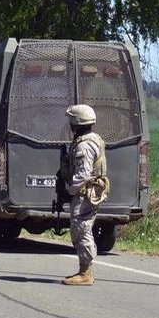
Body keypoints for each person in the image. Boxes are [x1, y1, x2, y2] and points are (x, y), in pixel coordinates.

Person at [61, 104, 110, 286]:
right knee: (81, 228)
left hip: (86, 193)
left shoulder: (85, 145)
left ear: (77, 122)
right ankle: (84, 269)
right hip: (87, 191)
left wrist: (71, 189)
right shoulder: (90, 139)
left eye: (71, 121)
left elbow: (83, 173)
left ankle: (86, 272)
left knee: (81, 228)